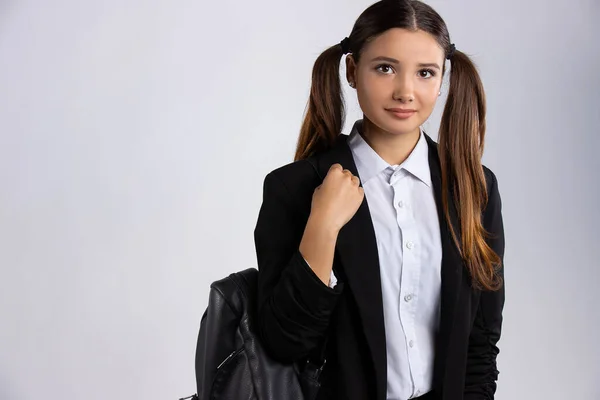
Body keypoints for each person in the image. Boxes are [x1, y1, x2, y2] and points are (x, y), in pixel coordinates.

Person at [253, 1, 505, 399]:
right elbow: (284, 342)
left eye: (425, 73)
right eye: (385, 68)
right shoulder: (295, 188)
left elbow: (481, 341)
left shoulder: (475, 188)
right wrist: (323, 224)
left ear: (442, 80)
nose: (405, 91)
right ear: (352, 71)